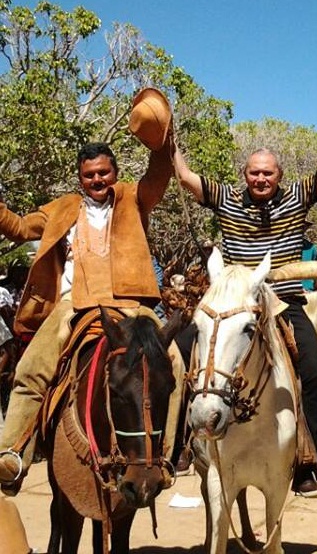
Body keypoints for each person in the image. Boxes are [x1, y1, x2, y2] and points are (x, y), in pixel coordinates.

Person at [173, 116, 317, 497]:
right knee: (181, 356)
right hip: (233, 300)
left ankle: (305, 461)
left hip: (284, 300)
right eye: (254, 173)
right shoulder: (225, 197)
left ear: (279, 175)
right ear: (244, 175)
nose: (260, 179)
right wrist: (165, 135)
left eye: (267, 173)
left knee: (314, 372)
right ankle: (182, 446)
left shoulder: (297, 197)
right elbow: (184, 176)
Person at [0, 88, 182, 492]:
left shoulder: (136, 198)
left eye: (104, 172)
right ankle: (12, 453)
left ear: (114, 173)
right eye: (89, 175)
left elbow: (160, 172)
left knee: (177, 364)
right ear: (80, 178)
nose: (97, 179)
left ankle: (167, 455)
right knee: (31, 369)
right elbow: (16, 227)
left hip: (134, 306)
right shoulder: (61, 208)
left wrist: (161, 140)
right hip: (75, 306)